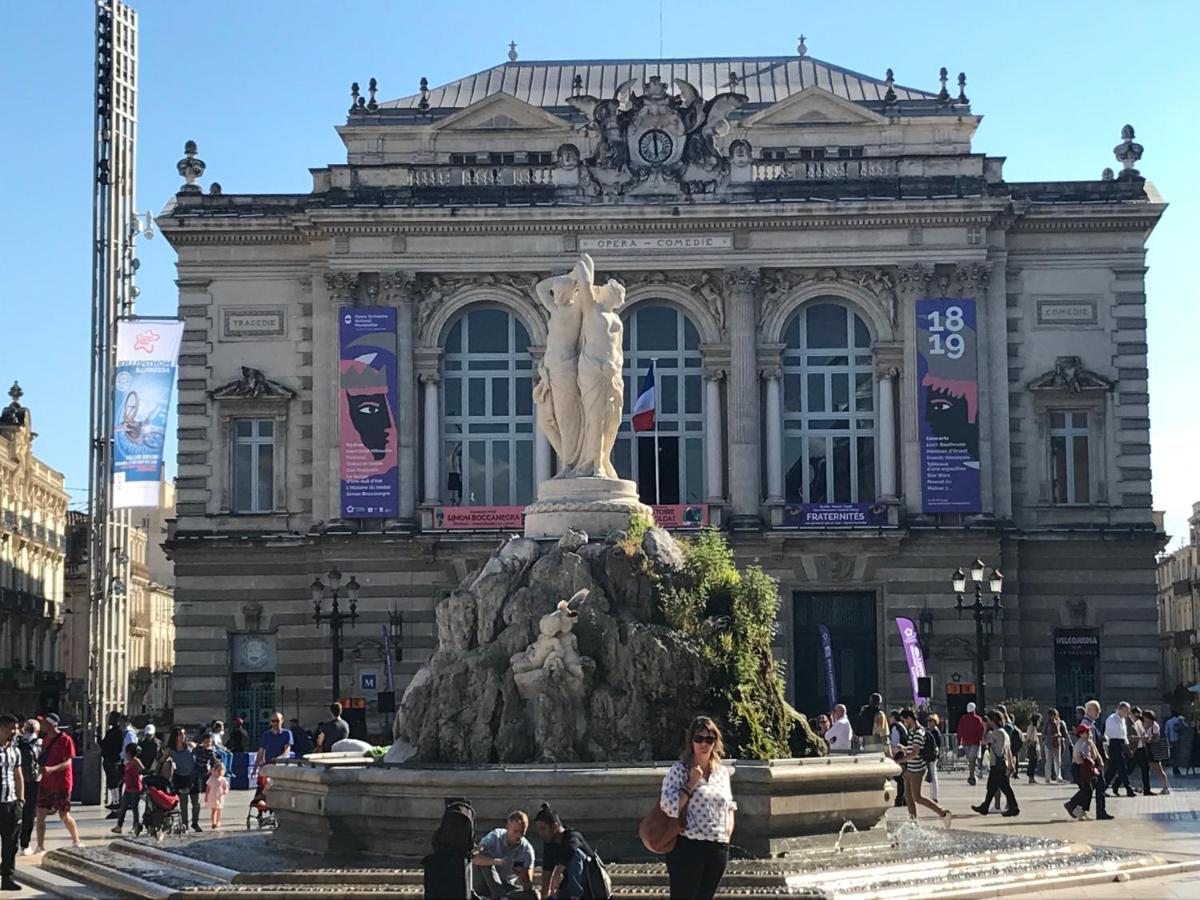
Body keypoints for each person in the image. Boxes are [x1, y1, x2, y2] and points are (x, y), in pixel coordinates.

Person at [658, 716, 736, 900]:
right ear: (691, 741)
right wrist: (691, 783)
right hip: (688, 846)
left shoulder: (721, 772)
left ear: (715, 742)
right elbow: (668, 805)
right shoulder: (680, 770)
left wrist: (727, 834)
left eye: (709, 739)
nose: (704, 744)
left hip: (717, 848)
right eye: (699, 738)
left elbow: (729, 805)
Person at [34, 714, 83, 852]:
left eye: (44, 723)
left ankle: (76, 840)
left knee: (64, 815)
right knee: (40, 815)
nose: (42, 725)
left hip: (62, 784)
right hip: (45, 783)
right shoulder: (45, 740)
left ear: (52, 724)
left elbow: (68, 762)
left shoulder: (65, 740)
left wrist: (52, 769)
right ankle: (40, 845)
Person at [897, 709, 951, 826]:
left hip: (916, 769)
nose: (904, 723)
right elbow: (913, 750)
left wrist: (899, 760)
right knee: (908, 796)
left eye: (904, 720)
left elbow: (915, 753)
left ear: (909, 719)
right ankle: (913, 821)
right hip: (911, 768)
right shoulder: (913, 731)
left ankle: (943, 813)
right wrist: (904, 748)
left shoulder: (919, 733)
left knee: (917, 797)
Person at [533, 803, 592, 900]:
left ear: (555, 826)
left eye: (543, 829)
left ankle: (574, 896)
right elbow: (546, 873)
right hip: (567, 888)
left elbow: (571, 850)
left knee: (576, 854)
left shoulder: (573, 836)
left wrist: (558, 871)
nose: (540, 833)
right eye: (538, 830)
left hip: (590, 887)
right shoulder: (549, 844)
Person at [472, 811, 537, 899]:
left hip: (507, 885)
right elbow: (475, 858)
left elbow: (527, 883)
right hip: (484, 881)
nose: (519, 836)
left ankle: (501, 896)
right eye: (515, 831)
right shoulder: (496, 836)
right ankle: (500, 896)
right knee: (485, 857)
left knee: (534, 895)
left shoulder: (526, 850)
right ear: (507, 827)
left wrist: (524, 876)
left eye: (522, 833)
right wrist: (498, 862)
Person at [972, 710, 1020, 817]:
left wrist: (984, 728)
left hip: (997, 764)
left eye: (988, 720)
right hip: (1002, 763)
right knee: (993, 786)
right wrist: (1011, 765)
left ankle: (1013, 807)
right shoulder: (1005, 733)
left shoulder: (996, 733)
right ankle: (985, 806)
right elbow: (1008, 750)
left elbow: (983, 741)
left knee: (1003, 787)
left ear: (992, 721)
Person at [1064, 722, 1112, 821]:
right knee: (1086, 789)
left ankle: (1081, 810)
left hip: (1088, 768)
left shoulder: (1088, 742)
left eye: (1089, 731)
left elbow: (1094, 756)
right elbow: (1078, 758)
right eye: (1086, 732)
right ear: (1081, 734)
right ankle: (1072, 804)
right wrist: (1085, 764)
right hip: (1080, 769)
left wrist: (1092, 746)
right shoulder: (1080, 744)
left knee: (1089, 789)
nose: (1089, 733)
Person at [0, 714, 25, 891]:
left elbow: (18, 775)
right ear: (2, 729)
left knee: (11, 843)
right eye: (12, 728)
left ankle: (7, 877)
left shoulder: (15, 751)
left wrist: (21, 798)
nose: (15, 731)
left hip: (11, 803)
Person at [16, 719, 39, 857]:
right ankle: (25, 844)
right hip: (33, 781)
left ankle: (13, 840)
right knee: (29, 813)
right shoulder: (40, 743)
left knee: (17, 811)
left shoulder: (17, 743)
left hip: (17, 780)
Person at [111, 743, 144, 835]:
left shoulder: (136, 761)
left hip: (135, 788)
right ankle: (119, 826)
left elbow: (143, 769)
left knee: (134, 808)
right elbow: (126, 773)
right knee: (123, 808)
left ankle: (135, 826)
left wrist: (139, 773)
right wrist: (121, 780)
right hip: (128, 788)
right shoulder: (128, 762)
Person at [1104, 702, 1135, 797]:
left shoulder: (1122, 720)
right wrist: (1106, 747)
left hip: (1121, 743)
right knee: (1122, 767)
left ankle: (1102, 787)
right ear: (1121, 709)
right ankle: (1128, 789)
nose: (1128, 713)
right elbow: (1109, 733)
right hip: (1114, 744)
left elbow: (1124, 735)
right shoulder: (1112, 719)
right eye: (1126, 710)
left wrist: (1127, 747)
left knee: (1112, 769)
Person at [956, 702, 986, 786]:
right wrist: (981, 740)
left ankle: (972, 775)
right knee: (973, 760)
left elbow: (959, 731)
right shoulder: (978, 719)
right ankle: (971, 776)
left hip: (966, 742)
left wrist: (959, 742)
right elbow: (981, 731)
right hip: (975, 743)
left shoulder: (963, 719)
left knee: (970, 760)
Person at [100, 712, 125, 811]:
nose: (109, 720)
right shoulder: (112, 732)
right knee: (111, 782)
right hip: (109, 759)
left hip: (114, 760)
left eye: (111, 718)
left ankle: (116, 802)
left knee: (114, 782)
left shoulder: (118, 733)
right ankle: (115, 801)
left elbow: (114, 746)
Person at [1142, 709, 1171, 795]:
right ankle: (1143, 786)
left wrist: (1149, 740)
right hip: (1147, 747)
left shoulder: (1154, 726)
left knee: (1158, 768)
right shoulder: (1144, 724)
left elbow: (1157, 738)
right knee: (1147, 769)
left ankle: (1165, 787)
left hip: (1153, 749)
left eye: (1145, 717)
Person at [1042, 708, 1069, 784]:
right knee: (1048, 760)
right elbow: (1043, 734)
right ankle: (1047, 777)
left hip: (1057, 743)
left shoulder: (1059, 722)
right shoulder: (1047, 723)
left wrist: (1060, 736)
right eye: (1052, 715)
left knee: (1058, 761)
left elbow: (1062, 732)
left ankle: (1058, 777)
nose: (1054, 716)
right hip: (1049, 743)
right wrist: (1052, 736)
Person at [888, 710, 908, 807]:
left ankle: (900, 798)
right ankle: (904, 798)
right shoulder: (902, 726)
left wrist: (892, 754)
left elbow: (895, 742)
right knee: (901, 778)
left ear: (894, 717)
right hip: (903, 753)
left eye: (890, 717)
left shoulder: (895, 727)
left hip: (899, 754)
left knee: (899, 777)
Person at [923, 711, 944, 803]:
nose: (929, 723)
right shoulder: (932, 731)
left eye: (931, 721)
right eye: (928, 721)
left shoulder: (934, 732)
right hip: (932, 755)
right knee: (931, 774)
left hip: (932, 755)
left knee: (933, 774)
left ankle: (934, 796)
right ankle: (933, 795)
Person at [205, 759, 229, 830]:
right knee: (214, 810)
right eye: (217, 771)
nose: (218, 773)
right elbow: (208, 788)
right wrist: (206, 796)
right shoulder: (211, 779)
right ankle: (213, 822)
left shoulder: (223, 779)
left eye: (220, 771)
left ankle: (218, 821)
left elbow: (226, 787)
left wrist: (226, 791)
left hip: (220, 796)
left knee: (219, 809)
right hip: (213, 796)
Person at [1165, 710, 1186, 777]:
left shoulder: (1168, 721)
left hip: (1171, 739)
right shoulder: (1179, 720)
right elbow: (1185, 727)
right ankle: (1176, 768)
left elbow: (1166, 732)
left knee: (1173, 754)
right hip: (1178, 739)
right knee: (1177, 754)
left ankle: (1174, 768)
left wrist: (1168, 740)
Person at [1024, 713, 1042, 785]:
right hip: (1032, 746)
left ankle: (1032, 777)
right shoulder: (1031, 727)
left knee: (1034, 762)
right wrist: (1031, 743)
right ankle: (1030, 777)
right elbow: (1028, 738)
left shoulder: (1033, 728)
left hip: (1034, 746)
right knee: (1032, 762)